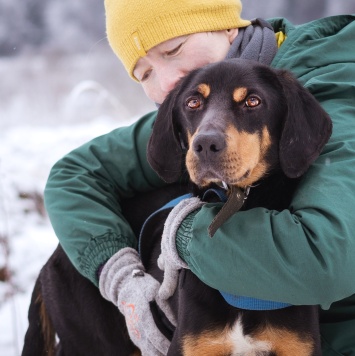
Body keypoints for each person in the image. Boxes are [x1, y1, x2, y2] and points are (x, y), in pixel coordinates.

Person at [44, 0, 355, 354]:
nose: (166, 82)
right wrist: (121, 277)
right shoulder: (195, 110)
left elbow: (322, 261)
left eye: (173, 49)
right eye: (143, 73)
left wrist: (184, 235)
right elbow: (74, 172)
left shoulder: (335, 92)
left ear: (226, 26)